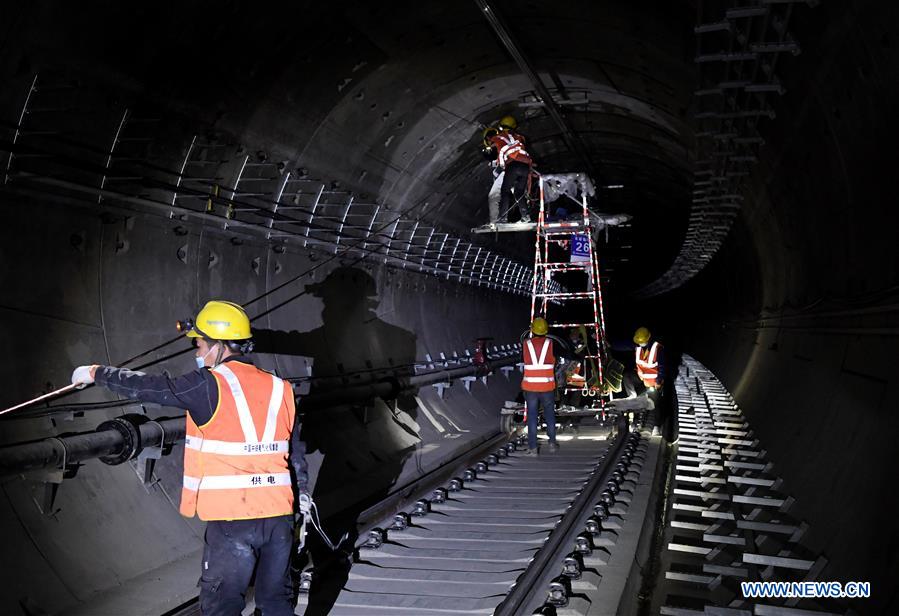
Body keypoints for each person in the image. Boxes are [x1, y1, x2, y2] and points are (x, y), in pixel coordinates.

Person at [71, 300, 308, 616]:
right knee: (276, 602)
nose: (198, 352)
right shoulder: (280, 388)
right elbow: (294, 451)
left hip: (234, 520)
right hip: (279, 516)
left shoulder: (209, 385)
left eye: (199, 344)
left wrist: (96, 373)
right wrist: (302, 497)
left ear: (218, 346)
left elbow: (152, 388)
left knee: (222, 606)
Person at [484, 115, 534, 224]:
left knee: (505, 191)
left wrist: (501, 165)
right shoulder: (519, 137)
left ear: (501, 127)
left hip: (513, 165)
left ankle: (503, 218)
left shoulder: (499, 137)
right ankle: (526, 216)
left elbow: (493, 146)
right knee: (519, 192)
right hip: (525, 166)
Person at [521, 317, 559, 454]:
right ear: (546, 330)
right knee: (550, 415)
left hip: (530, 387)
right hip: (547, 387)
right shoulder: (550, 343)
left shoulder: (526, 344)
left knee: (532, 416)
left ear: (532, 330)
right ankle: (552, 444)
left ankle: (533, 448)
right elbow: (554, 360)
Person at [633, 326, 664, 400]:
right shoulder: (639, 348)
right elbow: (625, 345)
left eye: (641, 342)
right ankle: (632, 397)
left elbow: (662, 367)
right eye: (639, 342)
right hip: (643, 380)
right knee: (627, 378)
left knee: (653, 402)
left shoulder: (657, 348)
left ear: (648, 339)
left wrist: (658, 382)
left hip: (654, 383)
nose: (640, 344)